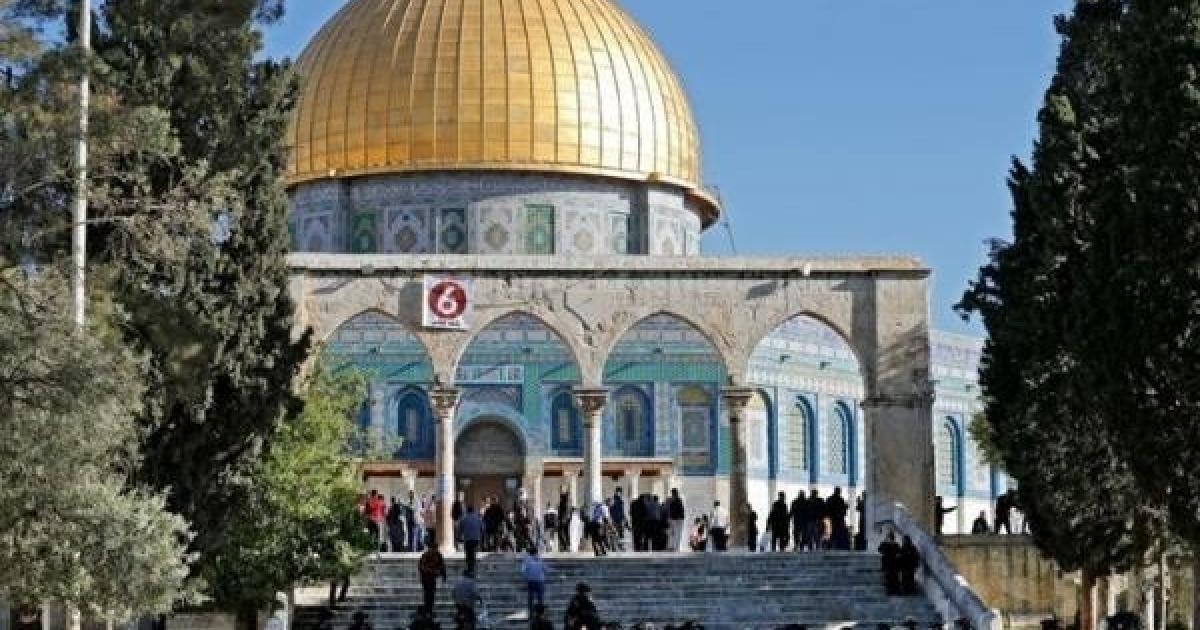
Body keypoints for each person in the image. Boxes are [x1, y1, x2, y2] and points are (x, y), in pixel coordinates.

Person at [418, 539, 448, 614]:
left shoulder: (438, 555)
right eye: (433, 548)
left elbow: (442, 566)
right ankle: (427, 608)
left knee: (431, 593)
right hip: (426, 578)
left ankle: (429, 608)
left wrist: (443, 575)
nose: (434, 550)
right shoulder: (425, 555)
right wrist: (429, 570)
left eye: (435, 548)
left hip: (432, 578)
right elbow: (421, 566)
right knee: (427, 593)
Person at [520, 547, 548, 621]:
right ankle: (541, 614)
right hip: (540, 581)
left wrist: (526, 577)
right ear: (536, 552)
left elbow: (523, 571)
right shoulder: (540, 559)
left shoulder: (527, 560)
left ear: (529, 553)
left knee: (530, 598)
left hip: (531, 581)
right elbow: (545, 569)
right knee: (540, 598)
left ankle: (531, 614)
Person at [458, 505, 485, 576]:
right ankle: (472, 568)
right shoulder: (478, 518)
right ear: (473, 511)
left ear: (467, 510)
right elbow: (482, 528)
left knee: (468, 553)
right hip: (476, 539)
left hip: (468, 539)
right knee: (473, 553)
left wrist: (459, 537)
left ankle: (470, 569)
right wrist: (481, 536)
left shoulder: (464, 519)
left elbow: (460, 529)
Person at [878, 531, 901, 596]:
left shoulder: (895, 545)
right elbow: (880, 549)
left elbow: (899, 552)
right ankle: (891, 591)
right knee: (889, 578)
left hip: (892, 564)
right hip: (889, 564)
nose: (890, 539)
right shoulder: (887, 544)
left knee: (893, 578)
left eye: (891, 537)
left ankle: (893, 590)